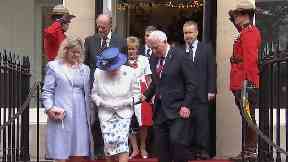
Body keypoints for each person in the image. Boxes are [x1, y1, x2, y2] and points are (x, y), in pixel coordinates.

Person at [142, 30, 197, 162]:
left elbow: (192, 83)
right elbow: (157, 82)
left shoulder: (181, 56)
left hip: (178, 109)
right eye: (151, 48)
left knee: (177, 143)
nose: (154, 51)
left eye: (156, 47)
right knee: (161, 147)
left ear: (165, 42)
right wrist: (146, 96)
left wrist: (186, 105)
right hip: (160, 110)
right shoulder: (154, 58)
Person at [41, 36, 94, 162]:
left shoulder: (85, 69)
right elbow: (47, 92)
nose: (76, 55)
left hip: (81, 115)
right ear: (65, 50)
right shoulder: (54, 66)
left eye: (78, 52)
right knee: (61, 152)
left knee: (79, 151)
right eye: (73, 52)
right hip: (62, 114)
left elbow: (88, 93)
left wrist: (92, 114)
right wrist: (50, 108)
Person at [84, 12, 126, 157]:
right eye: (98, 27)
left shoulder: (120, 41)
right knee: (96, 120)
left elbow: (124, 63)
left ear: (110, 26)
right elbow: (86, 64)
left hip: (115, 87)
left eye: (103, 27)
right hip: (96, 87)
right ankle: (99, 150)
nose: (100, 30)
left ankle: (115, 150)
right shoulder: (89, 41)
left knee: (114, 118)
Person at [91, 47, 140, 162]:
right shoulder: (98, 73)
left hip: (123, 114)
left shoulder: (129, 72)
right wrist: (103, 103)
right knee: (109, 145)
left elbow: (137, 95)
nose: (111, 70)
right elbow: (94, 94)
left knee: (122, 145)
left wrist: (124, 103)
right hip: (105, 114)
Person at [228, 0, 261, 160]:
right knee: (246, 118)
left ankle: (250, 153)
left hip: (244, 83)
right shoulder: (244, 31)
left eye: (237, 15)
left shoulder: (250, 32)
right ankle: (246, 151)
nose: (234, 18)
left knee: (249, 119)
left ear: (245, 15)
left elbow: (250, 60)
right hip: (239, 82)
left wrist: (247, 83)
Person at [182, 20, 217, 160]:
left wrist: (212, 90)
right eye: (185, 33)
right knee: (187, 124)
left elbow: (212, 70)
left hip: (202, 92)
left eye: (190, 32)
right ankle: (190, 150)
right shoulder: (179, 50)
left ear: (196, 33)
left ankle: (203, 150)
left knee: (202, 122)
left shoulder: (206, 48)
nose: (188, 35)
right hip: (185, 95)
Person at [125, 36, 153, 159]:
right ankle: (135, 148)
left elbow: (149, 78)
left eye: (134, 48)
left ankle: (143, 147)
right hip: (128, 93)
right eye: (129, 49)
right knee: (129, 121)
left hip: (142, 93)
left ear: (138, 49)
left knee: (144, 122)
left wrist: (150, 95)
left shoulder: (144, 60)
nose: (131, 51)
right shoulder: (123, 61)